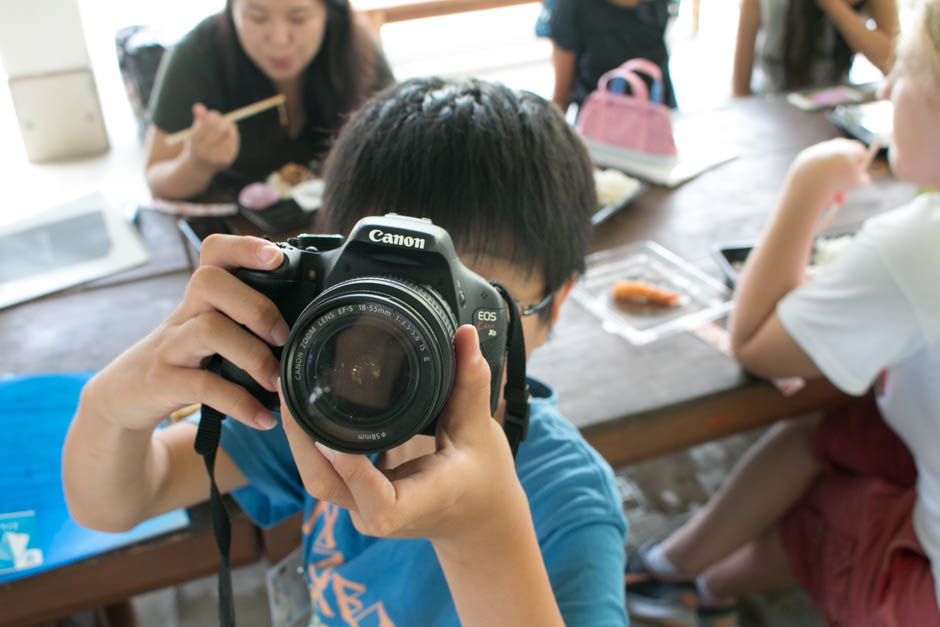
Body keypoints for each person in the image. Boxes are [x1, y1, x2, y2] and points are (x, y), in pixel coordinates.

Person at [63, 77, 629, 626]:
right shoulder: (323, 407)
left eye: (466, 314)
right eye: (380, 305)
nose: (412, 352)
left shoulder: (570, 505)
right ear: (327, 289)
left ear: (554, 310)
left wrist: (480, 531)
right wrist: (112, 403)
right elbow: (115, 503)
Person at [624, 1, 940, 625]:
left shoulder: (918, 244)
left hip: (923, 597)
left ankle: (701, 590)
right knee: (837, 425)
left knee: (823, 502)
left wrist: (808, 182)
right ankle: (674, 569)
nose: (884, 87)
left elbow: (754, 343)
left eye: (902, 70)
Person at [145, 0, 394, 200]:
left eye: (299, 17)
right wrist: (197, 164)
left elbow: (396, 147)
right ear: (232, 8)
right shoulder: (197, 54)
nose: (279, 39)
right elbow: (157, 179)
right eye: (257, 16)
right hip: (237, 236)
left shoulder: (355, 47)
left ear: (329, 11)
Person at [732, 0, 898, 97]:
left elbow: (894, 64)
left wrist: (834, 5)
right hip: (771, 103)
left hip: (833, 105)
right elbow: (740, 84)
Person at [546, 0, 678, 115]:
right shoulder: (572, 6)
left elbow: (561, 97)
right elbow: (561, 96)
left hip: (655, 116)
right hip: (602, 126)